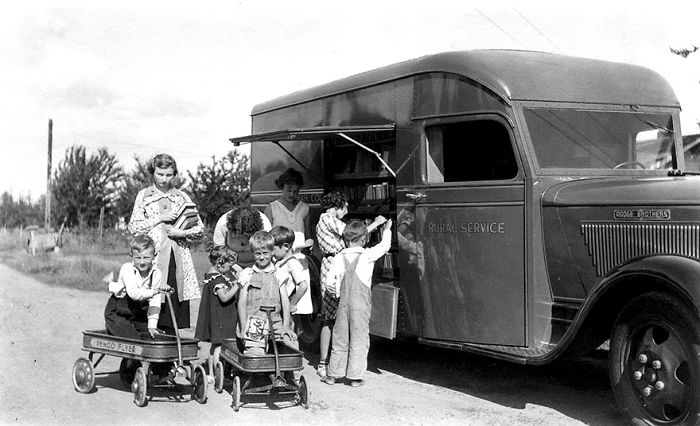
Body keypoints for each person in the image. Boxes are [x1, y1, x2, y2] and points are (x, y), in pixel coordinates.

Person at [314, 189, 386, 377]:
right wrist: (377, 224)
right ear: (337, 206)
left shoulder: (324, 220)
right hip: (337, 265)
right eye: (345, 206)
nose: (346, 211)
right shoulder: (329, 220)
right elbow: (351, 237)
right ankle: (326, 363)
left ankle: (331, 364)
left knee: (334, 318)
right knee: (332, 318)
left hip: (333, 264)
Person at [128, 153, 202, 333]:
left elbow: (199, 228)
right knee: (148, 305)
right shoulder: (144, 195)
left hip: (175, 260)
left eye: (169, 175)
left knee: (171, 307)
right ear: (153, 172)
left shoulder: (181, 196)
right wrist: (159, 218)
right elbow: (134, 227)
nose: (164, 179)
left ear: (174, 174)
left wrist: (181, 232)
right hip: (151, 259)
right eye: (160, 174)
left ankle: (166, 355)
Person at [322, 218, 393, 387]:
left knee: (340, 338)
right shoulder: (367, 255)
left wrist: (336, 292)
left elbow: (329, 283)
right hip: (360, 305)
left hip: (343, 304)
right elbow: (384, 246)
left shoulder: (338, 257)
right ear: (364, 239)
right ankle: (355, 377)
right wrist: (387, 229)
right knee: (359, 338)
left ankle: (333, 375)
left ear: (346, 240)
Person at [237, 231, 297, 355]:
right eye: (258, 254)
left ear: (272, 252)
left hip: (275, 321)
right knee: (256, 354)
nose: (262, 257)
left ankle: (288, 374)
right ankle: (258, 373)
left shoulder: (279, 273)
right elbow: (242, 302)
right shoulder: (247, 274)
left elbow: (285, 302)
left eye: (265, 253)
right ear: (253, 253)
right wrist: (243, 327)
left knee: (291, 347)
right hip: (254, 322)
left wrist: (286, 326)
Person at [104, 234, 172, 340]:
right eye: (138, 258)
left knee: (157, 337)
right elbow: (134, 294)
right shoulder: (127, 269)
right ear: (131, 255)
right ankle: (130, 353)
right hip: (118, 313)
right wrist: (155, 291)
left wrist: (152, 326)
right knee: (134, 340)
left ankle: (135, 354)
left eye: (146, 257)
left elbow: (155, 301)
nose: (142, 262)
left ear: (154, 256)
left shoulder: (156, 273)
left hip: (137, 315)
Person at [195, 245, 241, 381]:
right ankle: (218, 372)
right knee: (220, 346)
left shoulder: (213, 275)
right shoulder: (217, 279)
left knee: (215, 345)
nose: (231, 269)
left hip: (217, 315)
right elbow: (224, 297)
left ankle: (211, 373)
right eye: (229, 266)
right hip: (221, 316)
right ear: (220, 264)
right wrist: (238, 284)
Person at [270, 226, 312, 327]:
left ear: (285, 246)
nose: (271, 253)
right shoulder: (279, 262)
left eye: (273, 249)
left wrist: (292, 304)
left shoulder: (292, 263)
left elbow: (303, 285)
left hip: (286, 307)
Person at [264, 168, 311, 241]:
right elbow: (265, 238)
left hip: (299, 251)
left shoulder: (304, 208)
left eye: (295, 191)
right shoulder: (271, 208)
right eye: (289, 190)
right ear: (282, 187)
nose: (292, 194)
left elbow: (308, 237)